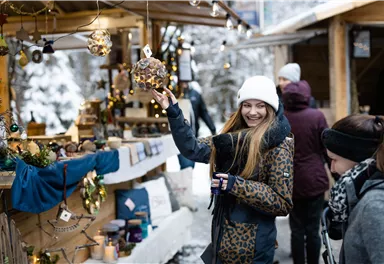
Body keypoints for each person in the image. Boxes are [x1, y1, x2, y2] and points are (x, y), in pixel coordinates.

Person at [152, 76, 294, 264]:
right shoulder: (231, 140)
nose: (252, 112)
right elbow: (193, 148)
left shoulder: (277, 148)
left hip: (252, 254)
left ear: (271, 108)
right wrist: (173, 112)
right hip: (222, 247)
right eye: (247, 105)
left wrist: (236, 185)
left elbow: (281, 202)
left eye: (260, 106)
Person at [321, 115, 384, 264]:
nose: (332, 168)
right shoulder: (361, 194)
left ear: (359, 159)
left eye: (334, 159)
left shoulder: (374, 205)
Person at [282, 81, 329, 264]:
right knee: (313, 230)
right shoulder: (317, 116)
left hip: (290, 182)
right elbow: (327, 148)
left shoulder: (281, 119)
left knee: (296, 229)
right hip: (314, 180)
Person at [177, 81, 216, 169]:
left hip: (191, 135)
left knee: (188, 165)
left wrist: (212, 128)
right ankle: (185, 180)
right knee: (186, 165)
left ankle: (185, 181)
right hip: (177, 134)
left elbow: (204, 113)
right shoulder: (175, 93)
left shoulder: (195, 94)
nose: (183, 84)